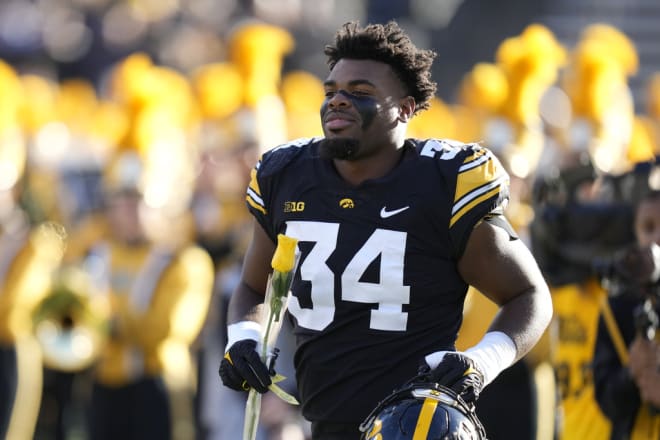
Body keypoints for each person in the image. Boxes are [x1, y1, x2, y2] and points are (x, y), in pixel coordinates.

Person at [218, 20, 553, 439]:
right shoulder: (286, 175)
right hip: (322, 424)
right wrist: (245, 337)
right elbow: (253, 286)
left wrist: (483, 361)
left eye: (359, 92)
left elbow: (528, 295)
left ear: (406, 108)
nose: (338, 101)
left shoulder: (442, 183)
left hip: (417, 426)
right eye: (331, 91)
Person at [593, 189, 660, 439]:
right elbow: (607, 402)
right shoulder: (617, 308)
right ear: (636, 234)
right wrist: (632, 373)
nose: (657, 237)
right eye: (648, 228)